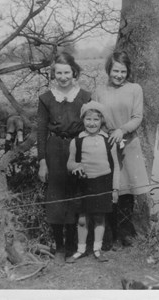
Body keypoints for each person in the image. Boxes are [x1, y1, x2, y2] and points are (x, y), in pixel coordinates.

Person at [37, 52, 91, 264]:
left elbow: (93, 125)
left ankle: (73, 246)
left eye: (66, 72)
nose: (63, 76)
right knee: (56, 198)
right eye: (58, 72)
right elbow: (41, 131)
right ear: (53, 74)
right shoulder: (46, 98)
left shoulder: (85, 96)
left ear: (73, 72)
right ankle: (59, 247)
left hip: (78, 148)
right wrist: (42, 161)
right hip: (55, 150)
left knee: (76, 197)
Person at [93, 50, 150, 248]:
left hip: (129, 144)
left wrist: (122, 130)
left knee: (126, 190)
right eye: (116, 71)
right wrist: (104, 134)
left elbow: (137, 117)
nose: (119, 75)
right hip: (107, 145)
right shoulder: (100, 91)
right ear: (109, 70)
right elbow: (95, 117)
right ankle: (109, 234)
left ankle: (125, 233)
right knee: (110, 189)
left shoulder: (135, 89)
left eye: (123, 72)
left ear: (128, 72)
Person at [66, 101, 119, 263]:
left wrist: (115, 189)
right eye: (88, 119)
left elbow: (116, 165)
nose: (92, 123)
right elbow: (69, 163)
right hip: (83, 183)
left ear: (102, 121)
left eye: (96, 120)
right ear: (83, 120)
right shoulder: (76, 141)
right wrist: (75, 166)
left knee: (99, 217)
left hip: (103, 182)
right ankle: (81, 249)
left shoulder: (108, 140)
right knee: (82, 218)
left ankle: (97, 249)